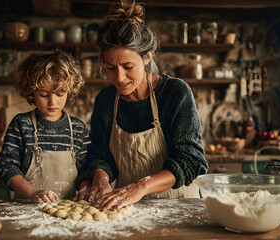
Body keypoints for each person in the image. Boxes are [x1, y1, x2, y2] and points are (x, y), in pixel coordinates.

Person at [75, 0, 208, 211]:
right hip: (126, 210)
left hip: (179, 208)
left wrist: (141, 187)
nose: (119, 78)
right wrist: (100, 178)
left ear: (147, 57)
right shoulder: (106, 100)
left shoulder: (175, 94)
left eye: (128, 67)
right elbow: (99, 155)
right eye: (111, 68)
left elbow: (190, 161)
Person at [0, 49, 90, 204]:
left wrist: (86, 187)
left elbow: (85, 171)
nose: (53, 102)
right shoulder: (21, 124)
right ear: (32, 92)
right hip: (27, 209)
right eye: (44, 95)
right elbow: (5, 166)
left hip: (67, 210)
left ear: (70, 91)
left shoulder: (78, 128)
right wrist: (32, 192)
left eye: (60, 94)